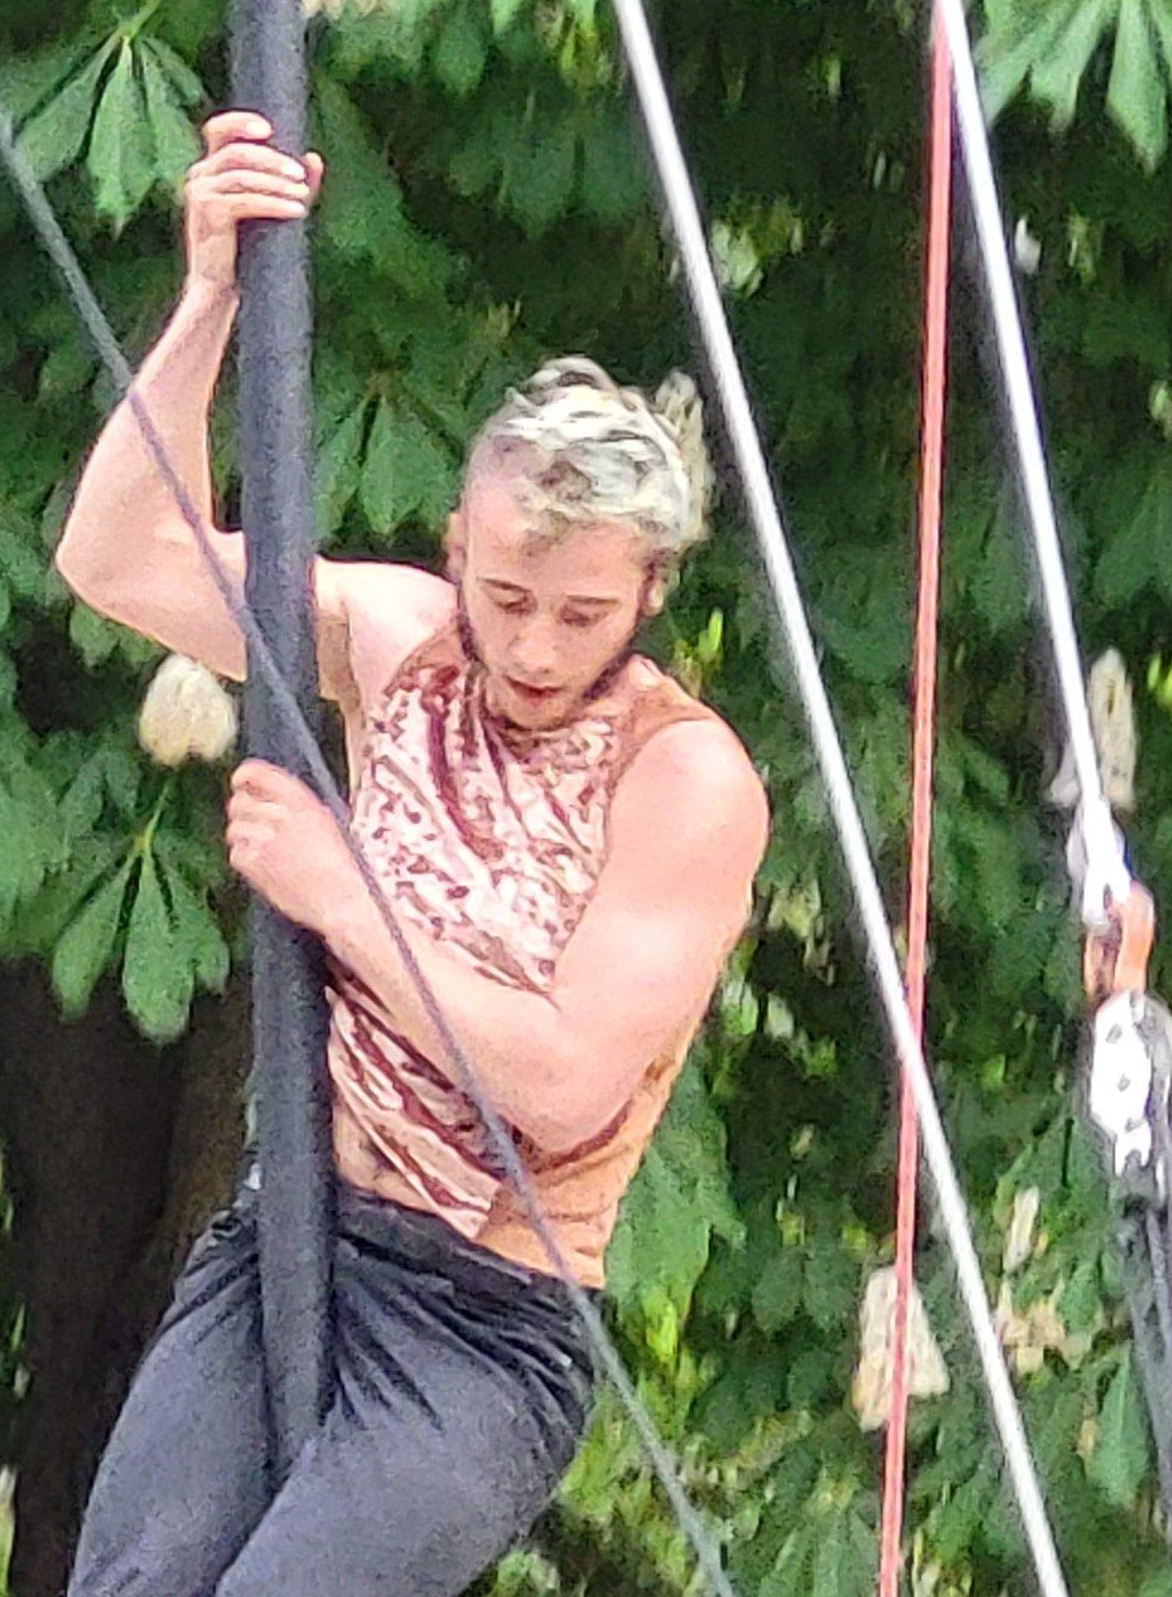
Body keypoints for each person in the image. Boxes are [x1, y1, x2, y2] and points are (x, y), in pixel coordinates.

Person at [52, 110, 773, 1596]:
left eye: (582, 615)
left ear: (648, 593)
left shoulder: (686, 779)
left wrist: (342, 892)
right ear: (458, 542)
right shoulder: (398, 642)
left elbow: (566, 1087)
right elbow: (115, 560)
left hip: (482, 1311)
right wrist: (207, 308)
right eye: (506, 594)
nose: (530, 644)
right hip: (295, 1224)